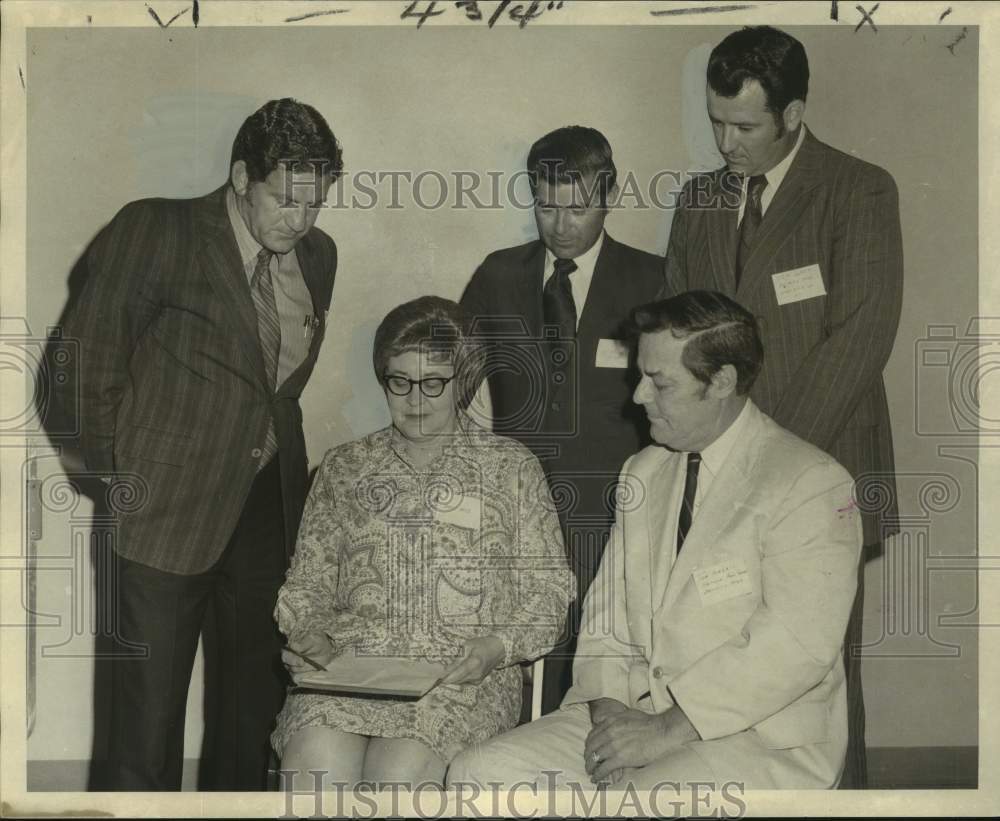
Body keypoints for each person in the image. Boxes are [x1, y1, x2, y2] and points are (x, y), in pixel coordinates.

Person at [448, 290, 863, 792]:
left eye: (659, 382)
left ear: (722, 382)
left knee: (639, 799)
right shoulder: (643, 471)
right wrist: (612, 727)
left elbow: (794, 648)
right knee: (478, 773)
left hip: (758, 735)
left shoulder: (809, 481)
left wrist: (665, 733)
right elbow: (605, 623)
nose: (638, 396)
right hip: (633, 713)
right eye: (640, 376)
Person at [59, 98, 342, 790]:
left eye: (316, 202)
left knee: (250, 727)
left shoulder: (319, 255)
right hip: (162, 518)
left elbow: (274, 385)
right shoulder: (157, 229)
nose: (300, 220)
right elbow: (76, 371)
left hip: (265, 518)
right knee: (143, 736)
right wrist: (122, 481)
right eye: (285, 200)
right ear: (242, 176)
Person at [661, 26, 903, 787]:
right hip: (714, 472)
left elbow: (860, 337)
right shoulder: (697, 200)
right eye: (716, 123)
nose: (726, 143)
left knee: (818, 674)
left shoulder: (859, 188)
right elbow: (677, 330)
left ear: (794, 113)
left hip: (821, 469)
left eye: (746, 126)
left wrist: (765, 464)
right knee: (720, 658)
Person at [271, 296, 574, 789]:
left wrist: (496, 650)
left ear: (465, 382)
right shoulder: (345, 467)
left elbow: (549, 594)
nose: (415, 400)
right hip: (351, 670)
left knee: (397, 775)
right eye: (400, 382)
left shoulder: (510, 467)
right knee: (314, 769)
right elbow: (307, 584)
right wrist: (309, 635)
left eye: (433, 383)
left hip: (458, 677)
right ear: (382, 378)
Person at [460, 126, 662, 714]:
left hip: (612, 511)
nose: (561, 224)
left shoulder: (651, 280)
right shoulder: (497, 275)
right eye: (546, 206)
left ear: (610, 195)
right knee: (512, 664)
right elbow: (456, 389)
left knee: (594, 670)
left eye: (578, 208)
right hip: (512, 510)